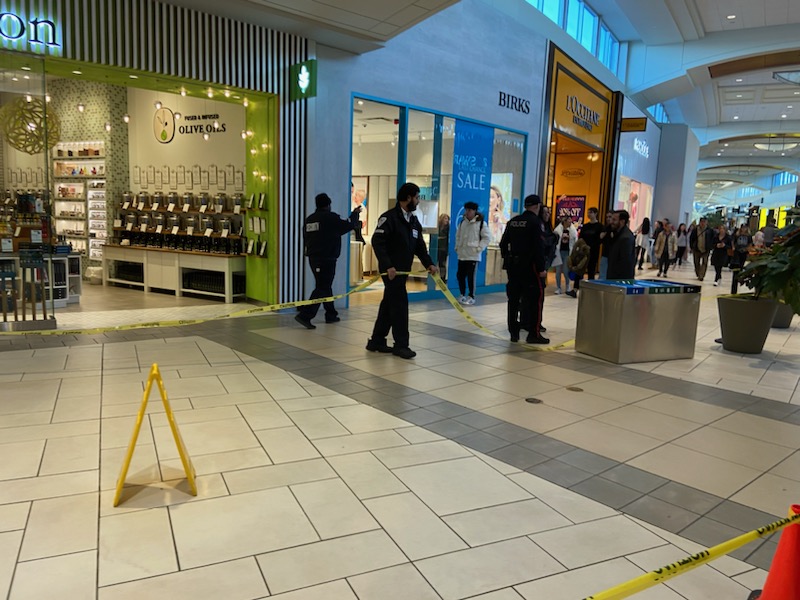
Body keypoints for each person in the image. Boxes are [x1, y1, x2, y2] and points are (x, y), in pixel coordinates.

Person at [366, 182, 437, 359]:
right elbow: (378, 242)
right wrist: (388, 265)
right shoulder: (389, 218)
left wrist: (429, 264)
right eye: (417, 197)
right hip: (391, 272)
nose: (418, 201)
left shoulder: (413, 220)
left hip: (403, 271)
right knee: (399, 305)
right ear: (408, 198)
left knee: (389, 304)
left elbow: (420, 246)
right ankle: (401, 345)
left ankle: (376, 340)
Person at [294, 194, 362, 329]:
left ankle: (331, 314)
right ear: (329, 204)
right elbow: (348, 225)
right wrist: (355, 214)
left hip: (313, 258)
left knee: (325, 285)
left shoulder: (309, 220)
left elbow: (306, 237)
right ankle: (305, 315)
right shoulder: (331, 218)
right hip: (327, 258)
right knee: (322, 287)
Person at [499, 194, 548, 344]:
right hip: (530, 268)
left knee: (513, 300)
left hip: (514, 267)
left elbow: (503, 244)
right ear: (537, 206)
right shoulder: (536, 222)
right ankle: (533, 334)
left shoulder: (513, 221)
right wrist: (541, 268)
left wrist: (508, 258)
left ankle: (514, 333)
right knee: (534, 301)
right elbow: (539, 247)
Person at [454, 201, 491, 305]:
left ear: (474, 211)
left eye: (469, 210)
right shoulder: (462, 223)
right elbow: (458, 236)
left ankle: (471, 296)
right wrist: (457, 247)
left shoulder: (481, 224)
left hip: (473, 255)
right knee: (460, 275)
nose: (467, 212)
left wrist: (479, 248)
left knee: (471, 277)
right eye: (466, 210)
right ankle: (462, 294)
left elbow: (487, 238)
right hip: (462, 255)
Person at [607, 209, 636, 279]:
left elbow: (626, 262)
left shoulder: (625, 238)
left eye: (614, 220)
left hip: (619, 278)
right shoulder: (617, 234)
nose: (611, 222)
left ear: (622, 221)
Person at [553, 216, 577, 294]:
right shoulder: (558, 229)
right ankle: (558, 287)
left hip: (567, 252)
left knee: (566, 270)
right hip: (559, 252)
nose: (570, 221)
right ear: (564, 221)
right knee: (558, 271)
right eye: (569, 220)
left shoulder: (573, 230)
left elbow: (575, 240)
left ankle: (567, 286)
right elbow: (554, 240)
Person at [579, 207, 603, 280]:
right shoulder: (585, 226)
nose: (589, 214)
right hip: (584, 251)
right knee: (580, 269)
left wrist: (591, 246)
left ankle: (591, 284)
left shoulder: (600, 226)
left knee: (591, 270)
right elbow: (581, 238)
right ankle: (578, 285)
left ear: (595, 214)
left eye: (591, 212)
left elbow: (599, 240)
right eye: (588, 212)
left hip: (593, 251)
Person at [689, 217, 714, 281]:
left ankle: (701, 275)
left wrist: (711, 246)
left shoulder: (710, 230)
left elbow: (713, 239)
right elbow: (691, 238)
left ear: (706, 222)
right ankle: (698, 272)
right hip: (696, 248)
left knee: (704, 262)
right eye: (701, 222)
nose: (703, 223)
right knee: (696, 262)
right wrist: (691, 247)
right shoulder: (695, 230)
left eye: (704, 222)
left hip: (706, 249)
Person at [730, 225, 752, 294]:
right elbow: (733, 241)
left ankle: (739, 279)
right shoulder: (737, 235)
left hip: (744, 253)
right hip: (737, 253)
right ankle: (734, 289)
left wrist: (747, 249)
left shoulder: (748, 236)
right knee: (736, 270)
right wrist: (733, 247)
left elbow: (750, 244)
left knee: (740, 268)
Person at [599, 211, 614, 279]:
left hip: (613, 255)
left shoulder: (615, 229)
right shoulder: (605, 228)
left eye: (610, 217)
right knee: (603, 274)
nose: (608, 219)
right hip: (605, 254)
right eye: (607, 217)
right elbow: (600, 238)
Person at [437, 213, 450, 284]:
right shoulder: (438, 227)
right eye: (445, 218)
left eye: (447, 219)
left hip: (443, 249)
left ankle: (442, 279)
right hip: (437, 249)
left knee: (442, 265)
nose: (447, 220)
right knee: (434, 264)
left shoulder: (448, 228)